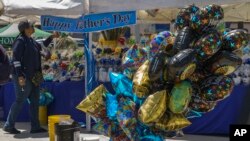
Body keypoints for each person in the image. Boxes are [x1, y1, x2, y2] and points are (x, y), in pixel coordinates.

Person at [3, 20, 59, 134]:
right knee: (20, 100)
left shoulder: (31, 41)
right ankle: (9, 125)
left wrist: (52, 36)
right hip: (23, 76)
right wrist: (20, 76)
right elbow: (16, 60)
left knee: (35, 101)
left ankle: (35, 127)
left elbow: (42, 45)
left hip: (35, 76)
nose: (33, 27)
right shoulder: (20, 41)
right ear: (25, 29)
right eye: (31, 26)